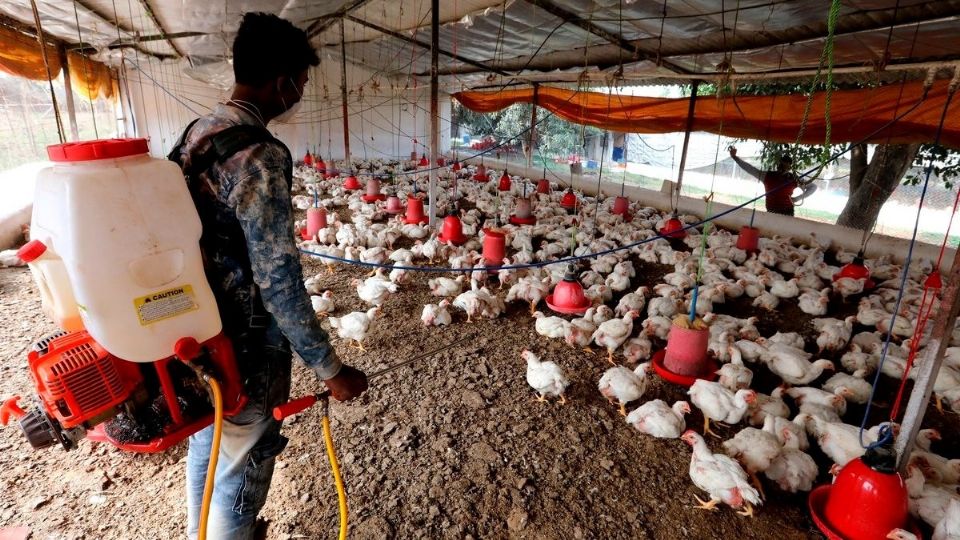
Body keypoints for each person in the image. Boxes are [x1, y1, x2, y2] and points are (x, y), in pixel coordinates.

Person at [170, 12, 368, 540]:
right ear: (282, 81)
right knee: (244, 461)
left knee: (211, 442)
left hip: (194, 327)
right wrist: (329, 368)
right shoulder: (259, 154)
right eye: (300, 84)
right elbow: (277, 277)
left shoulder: (197, 133)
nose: (298, 95)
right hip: (244, 343)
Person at [728, 146, 798, 216]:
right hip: (771, 212)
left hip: (787, 213)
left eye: (785, 165)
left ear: (789, 167)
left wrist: (797, 199)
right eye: (782, 164)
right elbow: (750, 169)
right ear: (779, 164)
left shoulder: (793, 178)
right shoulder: (768, 176)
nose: (782, 167)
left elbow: (808, 186)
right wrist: (735, 157)